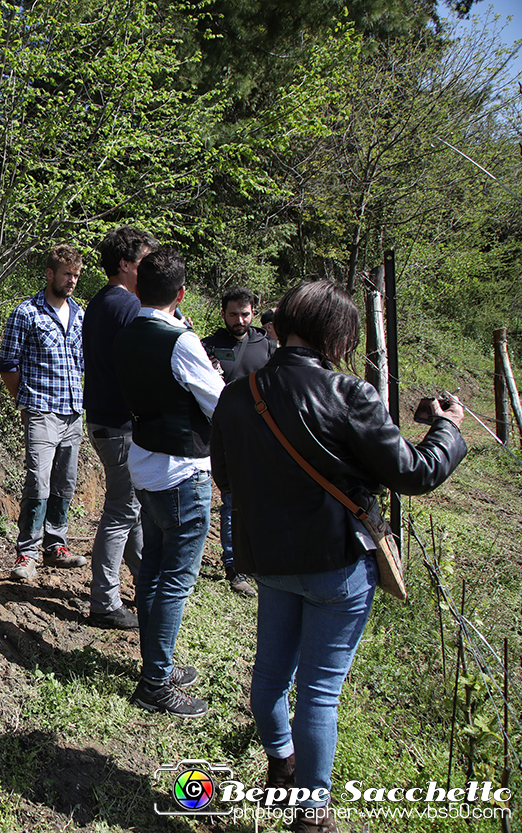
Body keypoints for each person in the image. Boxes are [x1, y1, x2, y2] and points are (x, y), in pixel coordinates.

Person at [211, 281, 466, 832]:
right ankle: (311, 815)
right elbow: (415, 473)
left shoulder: (238, 393)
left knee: (271, 675)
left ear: (284, 323)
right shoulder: (351, 394)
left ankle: (281, 765)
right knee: (319, 693)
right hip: (337, 564)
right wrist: (447, 428)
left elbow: (225, 478)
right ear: (337, 335)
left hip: (271, 562)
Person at [112, 247, 223, 718]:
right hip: (182, 471)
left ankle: (158, 664)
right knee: (173, 581)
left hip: (146, 464)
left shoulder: (126, 333)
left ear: (137, 288)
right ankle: (155, 681)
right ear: (181, 293)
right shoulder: (181, 342)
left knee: (154, 572)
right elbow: (220, 404)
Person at [0, 244, 88, 582]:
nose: (72, 281)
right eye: (67, 274)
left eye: (76, 275)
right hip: (41, 409)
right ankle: (27, 553)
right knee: (38, 480)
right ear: (50, 274)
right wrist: (25, 402)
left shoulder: (80, 315)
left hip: (73, 410)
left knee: (65, 480)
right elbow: (8, 363)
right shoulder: (27, 313)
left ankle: (56, 545)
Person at [82, 227, 158, 631]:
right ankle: (104, 602)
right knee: (123, 510)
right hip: (120, 424)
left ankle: (146, 582)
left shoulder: (98, 303)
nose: (150, 270)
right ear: (126, 264)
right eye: (144, 261)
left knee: (133, 508)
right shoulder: (127, 307)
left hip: (103, 420)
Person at [200, 286, 277, 598]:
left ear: (254, 313)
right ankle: (234, 565)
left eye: (245, 314)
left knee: (262, 499)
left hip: (262, 435)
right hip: (224, 435)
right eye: (233, 314)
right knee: (231, 500)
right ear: (223, 313)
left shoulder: (268, 346)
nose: (239, 320)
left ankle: (259, 558)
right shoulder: (208, 345)